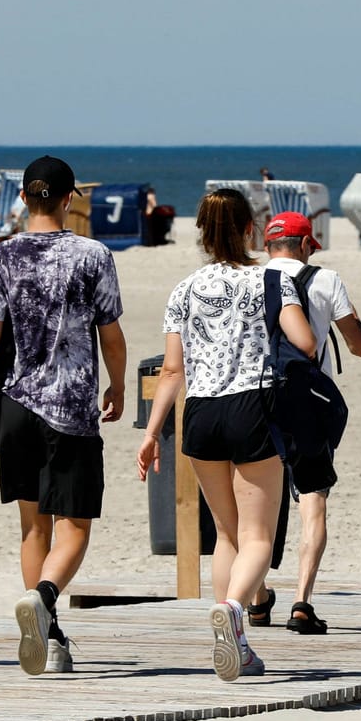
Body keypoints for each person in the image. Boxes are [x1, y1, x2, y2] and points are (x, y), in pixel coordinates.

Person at [136, 188, 315, 681]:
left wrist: (151, 434)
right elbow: (305, 342)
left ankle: (234, 636)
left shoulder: (184, 289)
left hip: (200, 415)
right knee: (259, 534)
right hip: (253, 406)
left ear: (201, 232)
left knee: (226, 537)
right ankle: (235, 610)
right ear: (249, 229)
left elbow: (172, 371)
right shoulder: (270, 279)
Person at [0, 156, 126, 677]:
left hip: (16, 406)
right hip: (71, 407)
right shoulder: (93, 254)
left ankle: (49, 633)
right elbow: (110, 332)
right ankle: (43, 598)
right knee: (75, 526)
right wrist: (119, 384)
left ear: (21, 199)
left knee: (32, 526)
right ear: (68, 199)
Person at [258, 210, 361, 632]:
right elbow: (358, 346)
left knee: (258, 502)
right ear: (306, 245)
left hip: (255, 400)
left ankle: (257, 596)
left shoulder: (251, 278)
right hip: (306, 403)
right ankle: (302, 602)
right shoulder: (326, 279)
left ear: (268, 246)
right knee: (312, 500)